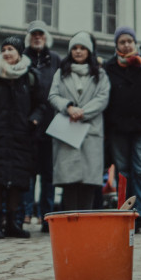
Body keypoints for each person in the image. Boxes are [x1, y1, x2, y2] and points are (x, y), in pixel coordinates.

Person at [0, 36, 44, 239]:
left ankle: (12, 223)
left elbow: (40, 104)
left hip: (21, 136)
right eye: (4, 49)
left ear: (19, 52)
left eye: (10, 49)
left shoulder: (30, 77)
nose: (6, 53)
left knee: (17, 181)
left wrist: (33, 120)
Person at [102, 27, 141, 230]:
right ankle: (125, 213)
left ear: (135, 43)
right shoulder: (109, 67)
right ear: (116, 45)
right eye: (122, 42)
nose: (126, 45)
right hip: (118, 128)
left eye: (129, 41)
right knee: (123, 172)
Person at [50, 32, 111, 213]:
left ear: (89, 51)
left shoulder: (100, 74)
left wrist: (83, 112)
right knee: (69, 181)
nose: (78, 51)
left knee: (88, 181)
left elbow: (103, 98)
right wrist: (68, 107)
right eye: (75, 48)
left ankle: (85, 221)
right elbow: (53, 95)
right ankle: (70, 220)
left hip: (90, 131)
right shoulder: (61, 73)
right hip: (67, 130)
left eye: (82, 48)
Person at [23, 21, 61, 226]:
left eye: (41, 34)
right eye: (34, 34)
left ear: (46, 38)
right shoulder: (22, 58)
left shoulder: (55, 59)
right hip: (27, 123)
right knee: (28, 172)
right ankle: (26, 212)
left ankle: (46, 215)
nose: (37, 37)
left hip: (50, 124)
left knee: (48, 174)